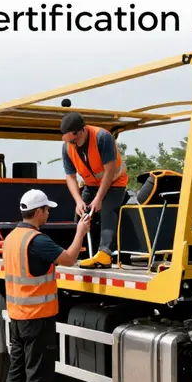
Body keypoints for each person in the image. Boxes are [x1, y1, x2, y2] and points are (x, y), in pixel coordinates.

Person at [0, 189, 91, 382]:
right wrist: (80, 231)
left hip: (17, 317)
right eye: (47, 210)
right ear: (38, 212)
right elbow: (70, 259)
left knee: (17, 373)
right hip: (37, 318)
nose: (48, 214)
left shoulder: (12, 238)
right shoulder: (37, 241)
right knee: (38, 375)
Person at [61, 112, 129, 269]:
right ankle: (82, 253)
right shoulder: (67, 147)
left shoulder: (102, 137)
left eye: (76, 139)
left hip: (114, 182)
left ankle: (104, 255)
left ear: (83, 130)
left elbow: (110, 171)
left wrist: (98, 199)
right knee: (81, 215)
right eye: (71, 141)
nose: (74, 143)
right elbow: (70, 177)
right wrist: (78, 201)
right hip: (91, 185)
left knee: (107, 210)